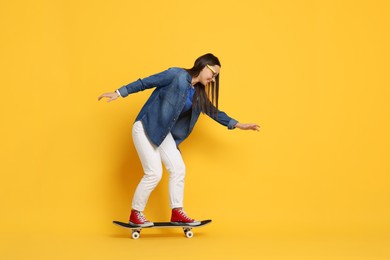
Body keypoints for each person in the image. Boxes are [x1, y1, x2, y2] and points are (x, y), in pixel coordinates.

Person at [98, 53, 260, 227]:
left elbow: (213, 112)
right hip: (146, 126)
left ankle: (177, 213)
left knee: (178, 169)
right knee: (154, 173)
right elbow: (146, 82)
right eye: (213, 74)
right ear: (204, 66)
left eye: (216, 77)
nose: (213, 79)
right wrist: (119, 93)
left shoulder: (198, 94)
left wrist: (239, 125)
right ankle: (135, 214)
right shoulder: (176, 74)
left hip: (163, 133)